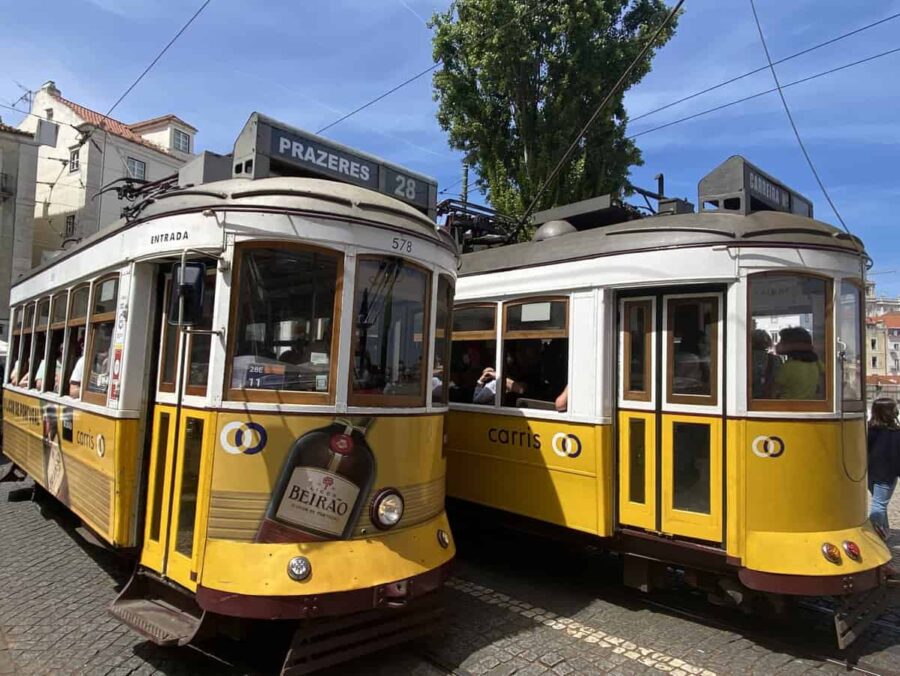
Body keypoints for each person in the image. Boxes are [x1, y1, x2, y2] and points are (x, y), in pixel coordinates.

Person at [867, 397, 900, 541]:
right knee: (879, 505)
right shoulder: (895, 432)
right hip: (887, 474)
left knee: (880, 502)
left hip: (870, 472)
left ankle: (884, 533)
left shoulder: (868, 429)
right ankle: (872, 535)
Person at [773, 327, 824, 399]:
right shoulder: (816, 362)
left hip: (787, 406)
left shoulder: (787, 367)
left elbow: (774, 390)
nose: (777, 344)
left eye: (781, 341)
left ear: (792, 344)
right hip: (811, 405)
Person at [750, 329, 778, 399]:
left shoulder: (742, 359)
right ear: (767, 343)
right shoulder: (775, 359)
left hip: (746, 398)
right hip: (767, 400)